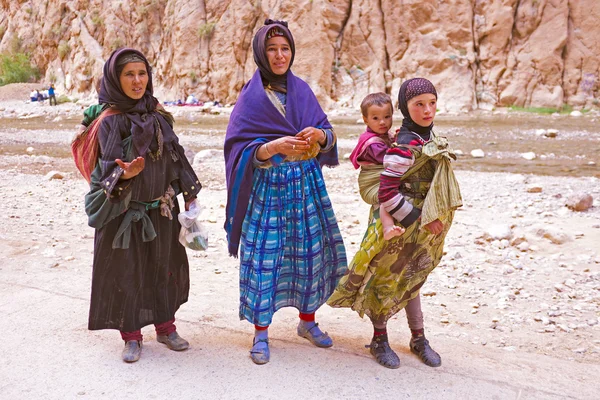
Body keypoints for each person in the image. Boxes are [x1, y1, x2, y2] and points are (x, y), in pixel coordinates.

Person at [224, 19, 347, 365]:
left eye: (285, 49)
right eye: (272, 49)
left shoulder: (302, 90)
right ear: (261, 54)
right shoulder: (250, 99)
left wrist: (321, 137)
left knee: (308, 255)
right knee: (265, 258)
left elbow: (328, 132)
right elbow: (237, 146)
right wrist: (271, 147)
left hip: (306, 186)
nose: (279, 55)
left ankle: (307, 323)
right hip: (268, 190)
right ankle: (261, 332)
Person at [73, 48, 202, 363]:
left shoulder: (157, 115)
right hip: (125, 215)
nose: (137, 80)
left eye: (142, 73)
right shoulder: (110, 122)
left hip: (162, 210)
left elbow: (175, 155)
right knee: (128, 274)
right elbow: (105, 173)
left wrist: (190, 193)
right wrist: (125, 175)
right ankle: (131, 336)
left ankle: (166, 327)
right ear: (116, 79)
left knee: (165, 269)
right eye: (129, 74)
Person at [327, 78, 462, 369]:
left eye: (432, 103)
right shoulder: (405, 143)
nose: (427, 110)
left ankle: (418, 337)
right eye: (419, 105)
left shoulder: (425, 136)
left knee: (413, 277)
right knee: (384, 279)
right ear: (404, 107)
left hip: (420, 224)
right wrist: (419, 220)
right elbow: (387, 190)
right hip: (402, 223)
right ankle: (379, 339)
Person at [349, 92, 405, 241]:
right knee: (387, 196)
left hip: (379, 180)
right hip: (371, 185)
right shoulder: (372, 143)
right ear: (365, 120)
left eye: (387, 117)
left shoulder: (384, 134)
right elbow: (390, 159)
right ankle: (387, 227)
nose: (382, 122)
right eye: (376, 118)